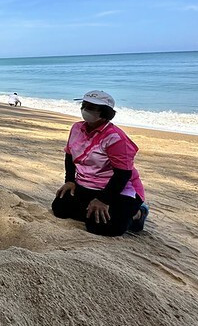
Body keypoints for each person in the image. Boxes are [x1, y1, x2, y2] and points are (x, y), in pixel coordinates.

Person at [52, 90, 149, 236]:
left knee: (100, 227)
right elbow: (69, 155)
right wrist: (70, 181)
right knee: (60, 208)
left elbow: (123, 174)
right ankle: (98, 209)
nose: (85, 110)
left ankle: (138, 213)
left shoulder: (115, 138)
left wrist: (103, 200)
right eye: (84, 105)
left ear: (105, 112)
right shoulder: (77, 128)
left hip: (118, 189)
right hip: (87, 184)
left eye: (91, 107)